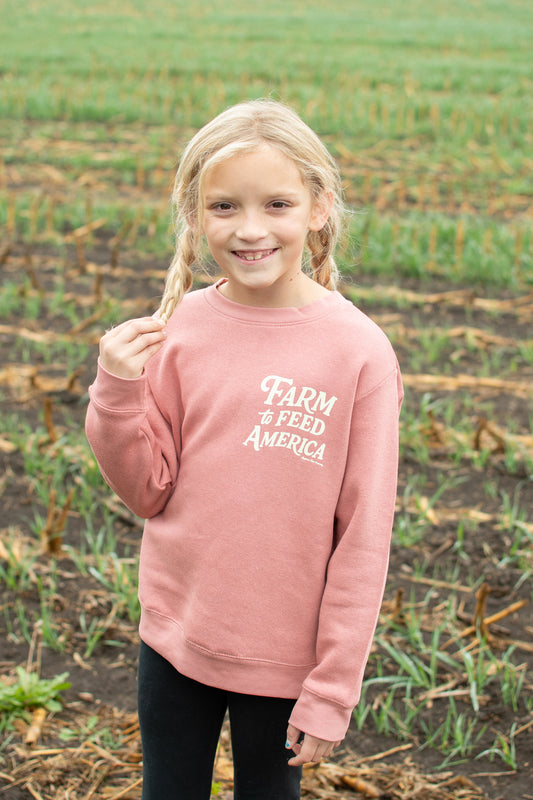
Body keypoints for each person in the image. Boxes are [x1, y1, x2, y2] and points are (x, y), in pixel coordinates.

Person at [85, 99, 403, 800]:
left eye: (277, 204)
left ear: (318, 208)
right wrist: (115, 392)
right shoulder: (182, 330)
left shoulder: (357, 353)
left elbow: (363, 536)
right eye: (224, 206)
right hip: (173, 640)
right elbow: (147, 491)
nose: (250, 229)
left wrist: (332, 688)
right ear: (194, 215)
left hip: (285, 662)